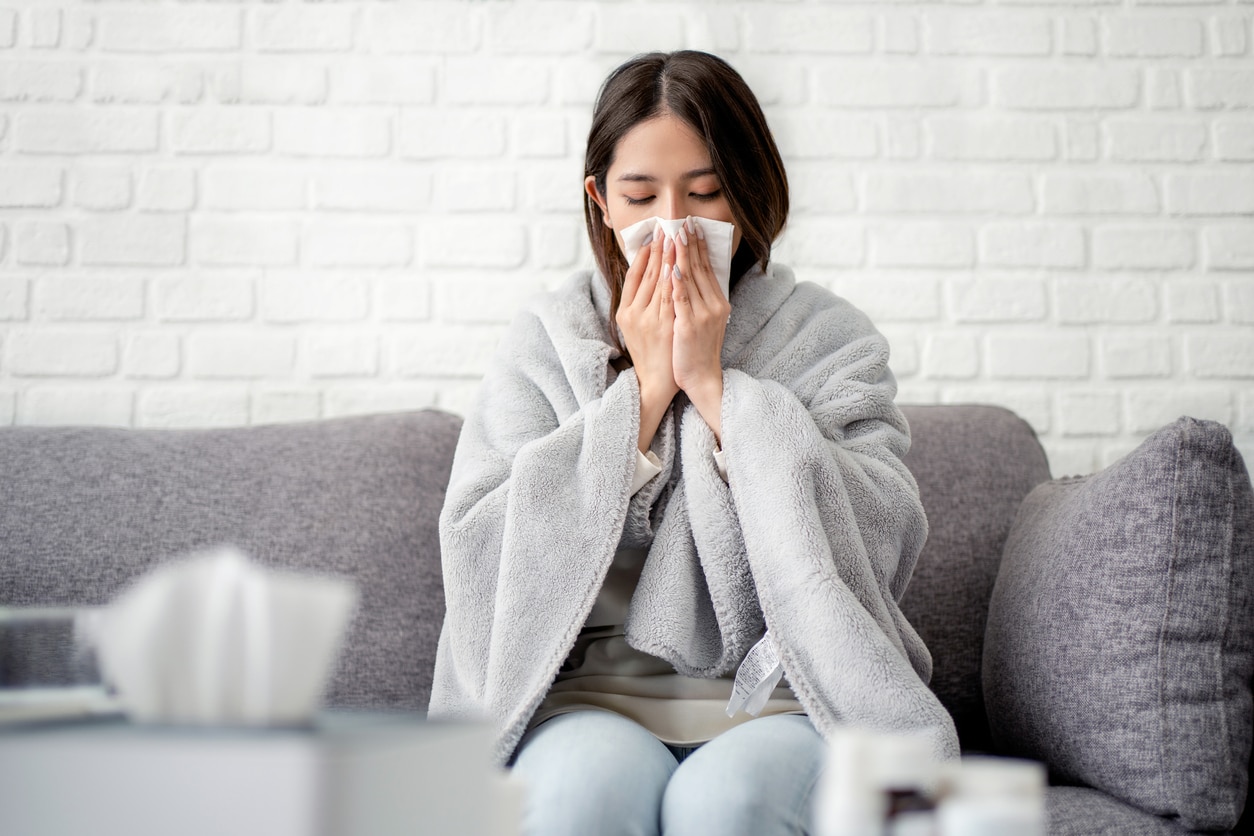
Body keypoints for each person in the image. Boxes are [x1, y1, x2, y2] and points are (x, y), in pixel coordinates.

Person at [428, 50, 958, 836]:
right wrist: (642, 396)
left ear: (745, 199)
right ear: (601, 202)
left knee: (724, 805)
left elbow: (881, 534)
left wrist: (717, 392)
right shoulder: (545, 342)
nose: (673, 225)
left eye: (705, 194)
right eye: (641, 196)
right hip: (585, 703)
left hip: (794, 698)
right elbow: (477, 546)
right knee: (580, 793)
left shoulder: (828, 339)